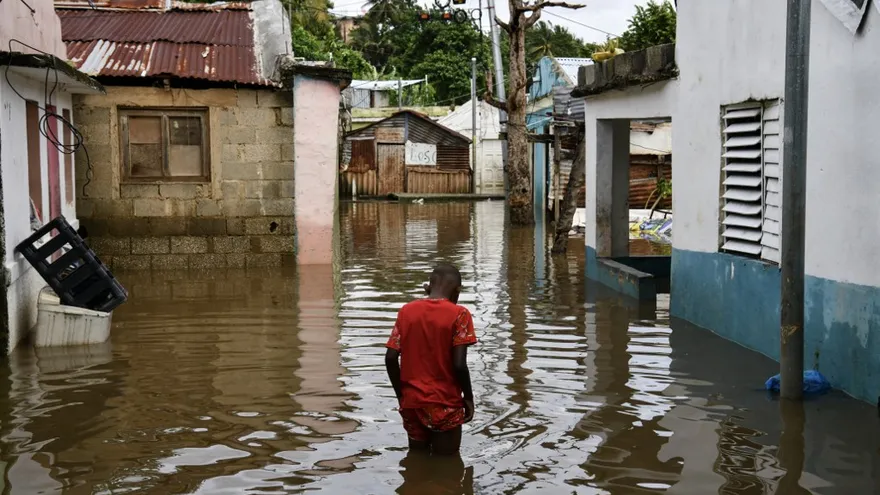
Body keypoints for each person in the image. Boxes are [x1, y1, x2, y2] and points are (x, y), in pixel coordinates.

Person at [385, 263, 477, 455]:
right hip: (445, 404)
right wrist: (468, 398)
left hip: (411, 404)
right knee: (447, 468)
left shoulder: (406, 311)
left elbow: (391, 358)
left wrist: (401, 396)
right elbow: (459, 365)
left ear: (430, 285)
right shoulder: (460, 314)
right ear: (457, 290)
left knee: (416, 463)